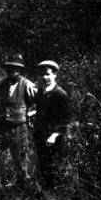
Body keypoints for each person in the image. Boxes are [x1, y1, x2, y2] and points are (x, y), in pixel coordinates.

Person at [0, 54, 37, 189]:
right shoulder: (3, 83)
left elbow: (43, 103)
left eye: (15, 68)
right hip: (1, 128)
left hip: (19, 129)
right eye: (9, 68)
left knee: (21, 165)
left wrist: (30, 113)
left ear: (21, 70)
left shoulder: (27, 84)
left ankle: (23, 191)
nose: (12, 70)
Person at [33, 60, 74, 189]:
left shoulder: (60, 94)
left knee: (55, 164)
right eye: (42, 75)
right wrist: (33, 113)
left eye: (48, 74)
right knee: (43, 163)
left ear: (55, 75)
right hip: (40, 133)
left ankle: (58, 193)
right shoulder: (40, 92)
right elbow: (44, 110)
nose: (45, 78)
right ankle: (47, 192)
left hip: (54, 136)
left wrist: (55, 135)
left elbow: (67, 118)